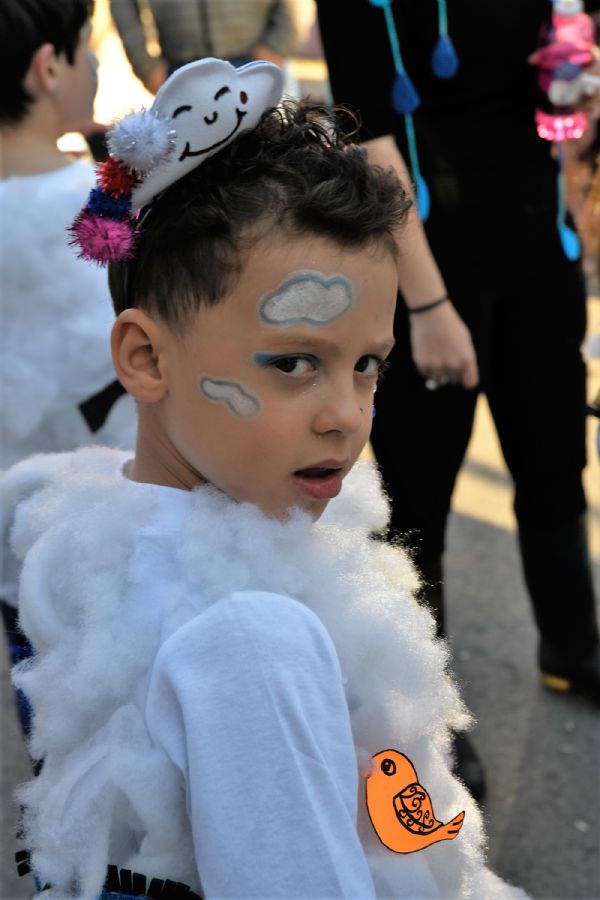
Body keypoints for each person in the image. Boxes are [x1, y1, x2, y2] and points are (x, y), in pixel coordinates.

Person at [2, 56, 529, 899]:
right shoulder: (252, 641)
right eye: (293, 361)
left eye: (367, 366)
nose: (346, 415)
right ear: (144, 357)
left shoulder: (92, 522)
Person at [315, 0, 600, 719]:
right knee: (417, 497)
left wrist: (578, 90)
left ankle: (572, 647)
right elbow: (368, 140)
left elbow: (561, 99)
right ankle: (419, 707)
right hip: (425, 266)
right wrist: (431, 306)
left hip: (540, 248)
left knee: (554, 460)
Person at [0, 0, 137, 736]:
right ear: (48, 68)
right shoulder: (100, 214)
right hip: (123, 524)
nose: (94, 73)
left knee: (51, 714)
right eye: (89, 54)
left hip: (17, 544)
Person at [109, 0, 302, 94]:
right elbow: (122, 5)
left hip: (254, 62)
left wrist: (277, 46)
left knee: (270, 158)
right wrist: (146, 67)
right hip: (180, 68)